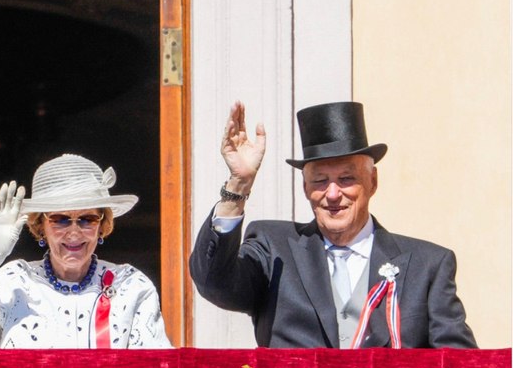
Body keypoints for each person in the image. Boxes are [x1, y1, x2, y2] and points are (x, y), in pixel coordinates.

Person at [189, 101, 476, 348]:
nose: (333, 193)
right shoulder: (273, 248)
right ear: (305, 187)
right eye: (320, 181)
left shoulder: (428, 265)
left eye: (347, 179)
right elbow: (214, 284)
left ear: (372, 182)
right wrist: (238, 185)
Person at [0, 154, 170, 348]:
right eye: (60, 219)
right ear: (41, 226)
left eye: (87, 219)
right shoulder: (13, 282)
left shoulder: (131, 285)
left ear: (102, 224)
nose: (74, 232)